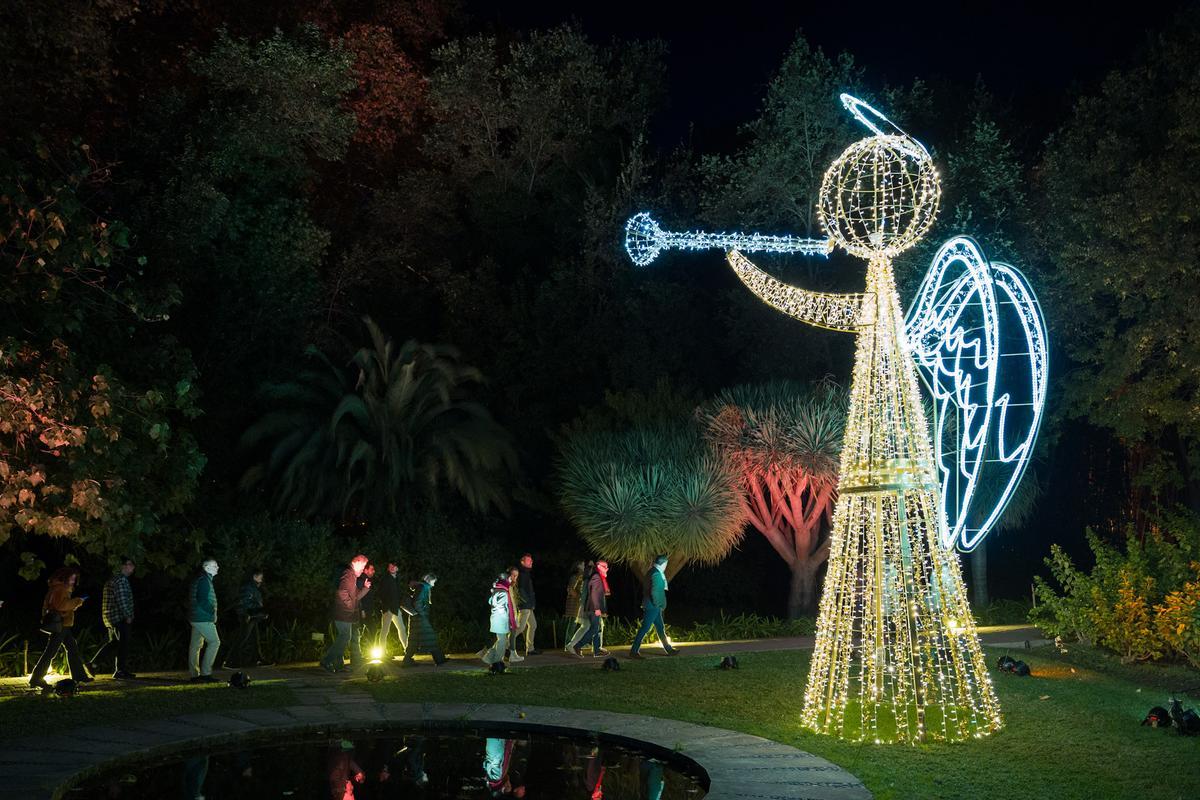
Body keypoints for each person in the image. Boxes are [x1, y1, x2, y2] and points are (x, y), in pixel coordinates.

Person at [29, 566, 90, 688]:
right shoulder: (60, 589)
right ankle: (36, 678)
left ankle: (80, 676)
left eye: (74, 579)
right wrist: (78, 601)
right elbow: (61, 605)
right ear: (64, 577)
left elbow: (61, 605)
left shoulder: (58, 588)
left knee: (72, 649)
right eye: (72, 579)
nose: (73, 581)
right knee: (51, 651)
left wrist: (74, 603)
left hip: (63, 624)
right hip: (60, 624)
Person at [321, 554, 372, 673]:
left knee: (343, 637)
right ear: (357, 563)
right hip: (343, 614)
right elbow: (342, 592)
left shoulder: (352, 576)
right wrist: (349, 606)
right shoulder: (348, 574)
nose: (363, 568)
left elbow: (356, 597)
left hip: (345, 614)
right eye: (363, 565)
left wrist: (365, 588)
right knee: (345, 637)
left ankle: (338, 665)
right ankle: (327, 660)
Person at [90, 556, 136, 679]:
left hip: (111, 617)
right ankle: (120, 671)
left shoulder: (114, 579)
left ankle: (94, 664)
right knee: (123, 643)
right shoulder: (121, 580)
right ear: (123, 566)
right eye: (130, 564)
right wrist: (128, 615)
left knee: (115, 643)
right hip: (118, 617)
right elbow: (122, 599)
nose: (133, 567)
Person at [628, 554, 679, 658]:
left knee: (660, 628)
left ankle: (669, 649)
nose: (666, 566)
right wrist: (658, 604)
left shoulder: (651, 571)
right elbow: (655, 592)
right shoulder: (656, 574)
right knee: (645, 628)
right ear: (663, 563)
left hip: (651, 605)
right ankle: (633, 651)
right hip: (653, 606)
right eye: (666, 564)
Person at [188, 557, 221, 682]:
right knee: (215, 642)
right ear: (206, 568)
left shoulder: (201, 579)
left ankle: (194, 675)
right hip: (202, 618)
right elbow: (202, 600)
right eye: (214, 566)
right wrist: (212, 611)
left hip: (196, 617)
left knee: (195, 646)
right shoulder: (204, 581)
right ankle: (206, 673)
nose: (217, 568)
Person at [227, 568, 267, 667]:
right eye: (260, 577)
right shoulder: (249, 587)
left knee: (254, 639)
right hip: (248, 616)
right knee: (242, 638)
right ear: (254, 577)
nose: (261, 580)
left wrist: (259, 612)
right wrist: (259, 611)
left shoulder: (253, 587)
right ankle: (231, 661)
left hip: (252, 616)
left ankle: (257, 659)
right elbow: (246, 602)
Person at [404, 573, 446, 666]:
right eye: (433, 582)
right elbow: (417, 602)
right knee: (430, 638)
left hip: (417, 619)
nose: (434, 584)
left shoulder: (422, 587)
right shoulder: (423, 588)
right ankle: (439, 659)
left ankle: (407, 660)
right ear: (429, 580)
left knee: (415, 640)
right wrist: (423, 614)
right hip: (420, 619)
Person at [573, 560, 609, 658]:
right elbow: (594, 594)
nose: (607, 568)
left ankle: (597, 651)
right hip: (593, 609)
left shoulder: (596, 576)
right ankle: (577, 646)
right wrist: (597, 609)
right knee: (594, 629)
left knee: (596, 629)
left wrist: (603, 610)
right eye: (605, 566)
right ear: (599, 567)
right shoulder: (597, 577)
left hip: (592, 608)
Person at [482, 571, 517, 667]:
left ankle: (488, 658)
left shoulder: (497, 590)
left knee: (500, 640)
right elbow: (501, 608)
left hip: (495, 620)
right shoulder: (503, 592)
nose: (510, 581)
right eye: (509, 579)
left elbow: (490, 602)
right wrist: (508, 620)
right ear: (505, 580)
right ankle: (496, 662)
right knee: (502, 642)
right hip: (501, 620)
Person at [377, 562, 409, 657]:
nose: (391, 567)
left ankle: (407, 650)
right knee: (385, 630)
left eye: (393, 566)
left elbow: (398, 593)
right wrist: (386, 607)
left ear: (397, 568)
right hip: (388, 609)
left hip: (396, 608)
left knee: (402, 629)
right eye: (390, 566)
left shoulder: (396, 579)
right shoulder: (386, 579)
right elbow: (381, 593)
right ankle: (382, 653)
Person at [514, 553, 540, 656]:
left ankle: (530, 649)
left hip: (528, 606)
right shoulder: (522, 573)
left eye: (531, 560)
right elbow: (521, 590)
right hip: (525, 606)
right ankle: (506, 644)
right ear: (522, 562)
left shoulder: (525, 573)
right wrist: (528, 603)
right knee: (520, 628)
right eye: (529, 560)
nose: (531, 562)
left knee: (533, 625)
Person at [563, 561, 589, 654]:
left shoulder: (582, 577)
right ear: (578, 566)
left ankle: (577, 643)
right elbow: (570, 589)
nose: (584, 566)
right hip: (574, 604)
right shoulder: (575, 577)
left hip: (579, 604)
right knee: (572, 624)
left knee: (580, 624)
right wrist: (580, 597)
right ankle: (568, 644)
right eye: (582, 564)